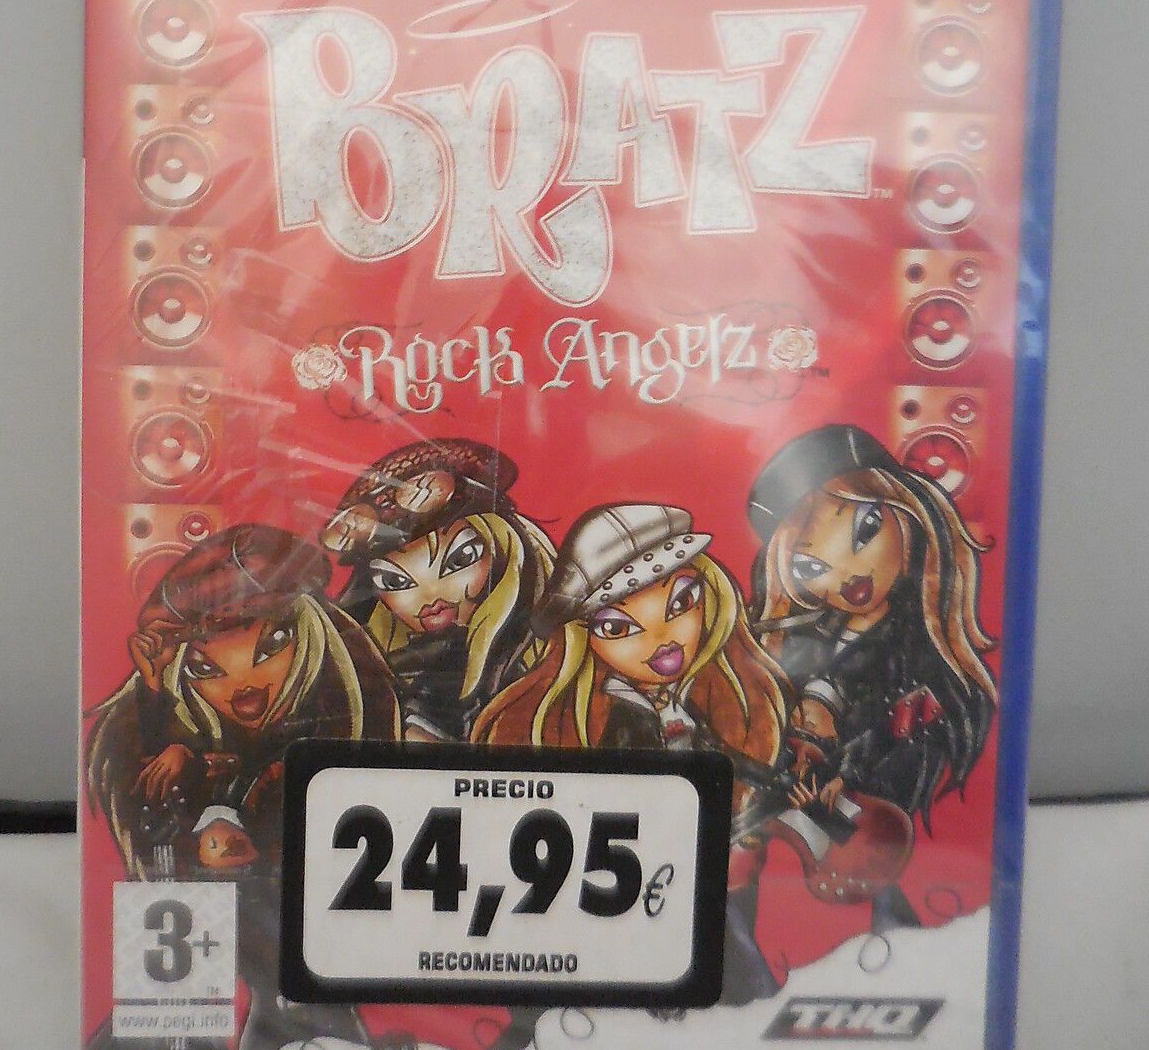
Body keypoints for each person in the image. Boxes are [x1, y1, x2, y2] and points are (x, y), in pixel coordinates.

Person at [85, 523, 399, 1050]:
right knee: (168, 1017)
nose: (244, 685)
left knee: (304, 1020)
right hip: (198, 926)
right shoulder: (179, 737)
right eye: (206, 667)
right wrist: (157, 704)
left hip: (312, 921)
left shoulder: (340, 716)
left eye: (271, 645)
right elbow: (153, 815)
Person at [474, 502, 790, 1003]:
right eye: (617, 628)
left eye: (681, 602)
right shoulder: (599, 720)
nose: (662, 639)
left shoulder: (722, 699)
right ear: (582, 640)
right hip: (616, 885)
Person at [747, 423, 998, 930]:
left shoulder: (916, 645)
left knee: (883, 895)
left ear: (910, 513)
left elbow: (917, 725)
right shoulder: (807, 639)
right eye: (811, 568)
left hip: (879, 819)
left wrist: (850, 773)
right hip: (808, 822)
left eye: (865, 530)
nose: (848, 575)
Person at [322, 438, 555, 743]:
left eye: (460, 559)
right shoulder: (389, 675)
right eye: (394, 582)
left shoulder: (551, 652)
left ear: (504, 547)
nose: (431, 596)